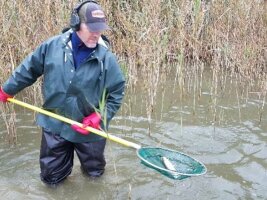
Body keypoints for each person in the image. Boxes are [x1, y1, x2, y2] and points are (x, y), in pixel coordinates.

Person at [0, 0, 125, 186]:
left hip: (89, 129)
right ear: (76, 23)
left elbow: (116, 93)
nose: (96, 33)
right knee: (51, 180)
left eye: (100, 28)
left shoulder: (106, 58)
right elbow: (29, 70)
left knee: (94, 176)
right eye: (91, 28)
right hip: (55, 123)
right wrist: (7, 89)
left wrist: (100, 116)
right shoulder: (51, 47)